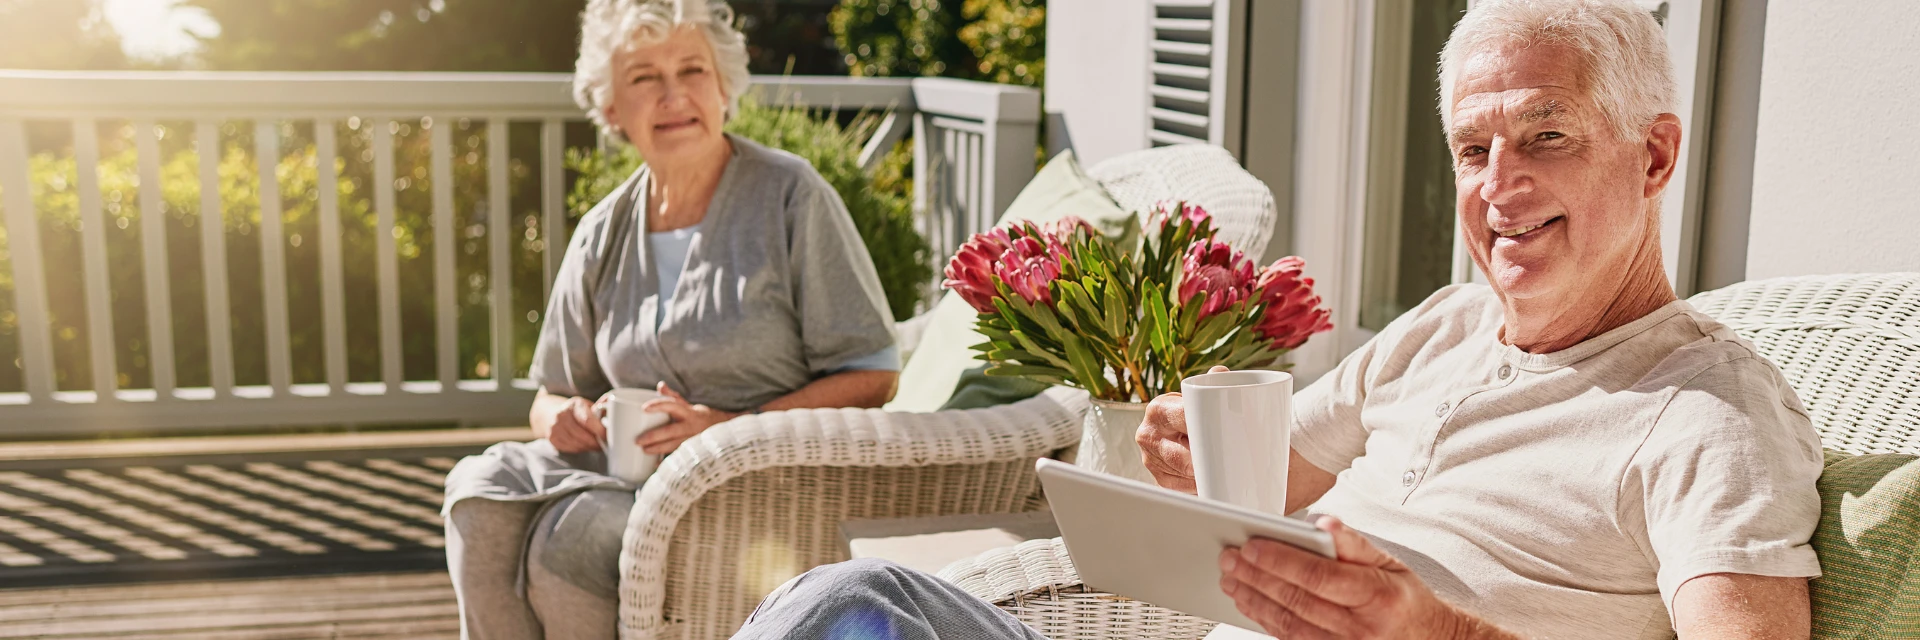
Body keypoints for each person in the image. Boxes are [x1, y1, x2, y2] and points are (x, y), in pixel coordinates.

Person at [725, 1, 1824, 638]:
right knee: (849, 602)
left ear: (1656, 154)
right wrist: (1178, 461)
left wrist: (1440, 632)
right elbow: (1259, 489)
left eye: (1548, 138)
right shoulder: (1443, 326)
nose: (1498, 187)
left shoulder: (1707, 413)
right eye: (1473, 150)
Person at [439, 0, 901, 637]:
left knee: (572, 538)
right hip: (618, 472)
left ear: (723, 89)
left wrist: (727, 427)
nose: (673, 95)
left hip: (749, 480)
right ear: (610, 109)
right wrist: (565, 419)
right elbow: (551, 392)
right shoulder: (604, 229)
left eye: (692, 71)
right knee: (479, 492)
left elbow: (871, 373)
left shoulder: (792, 196)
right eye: (643, 78)